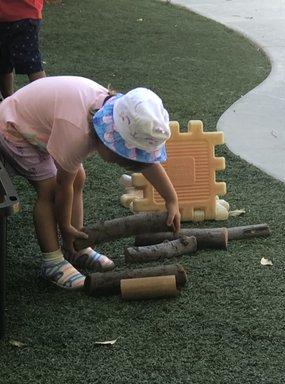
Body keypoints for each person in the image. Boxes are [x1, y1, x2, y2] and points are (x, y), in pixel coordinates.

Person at [0, 76, 181, 290]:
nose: (116, 161)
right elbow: (62, 187)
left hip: (43, 125)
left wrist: (171, 200)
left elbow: (149, 165)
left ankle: (77, 247)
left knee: (79, 177)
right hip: (14, 128)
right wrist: (65, 226)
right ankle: (53, 261)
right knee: (48, 191)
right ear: (108, 137)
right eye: (119, 156)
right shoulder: (77, 133)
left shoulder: (118, 113)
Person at [0, 0, 57, 98]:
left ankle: (45, 101)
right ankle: (9, 103)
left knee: (29, 63)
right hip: (24, 14)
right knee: (5, 62)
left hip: (20, 15)